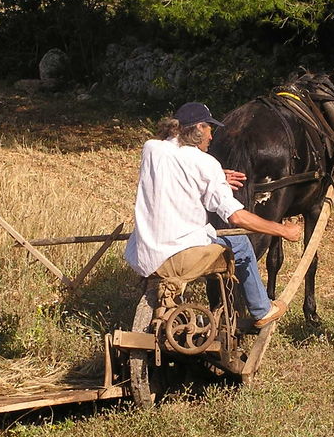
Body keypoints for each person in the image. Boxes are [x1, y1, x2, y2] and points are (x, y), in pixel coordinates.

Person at [125, 102, 302, 328]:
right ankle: (262, 309)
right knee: (240, 244)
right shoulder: (207, 164)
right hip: (178, 257)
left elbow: (177, 174)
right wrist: (283, 230)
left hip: (143, 254)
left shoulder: (151, 148)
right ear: (198, 128)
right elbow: (237, 217)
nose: (212, 136)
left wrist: (216, 178)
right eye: (209, 128)